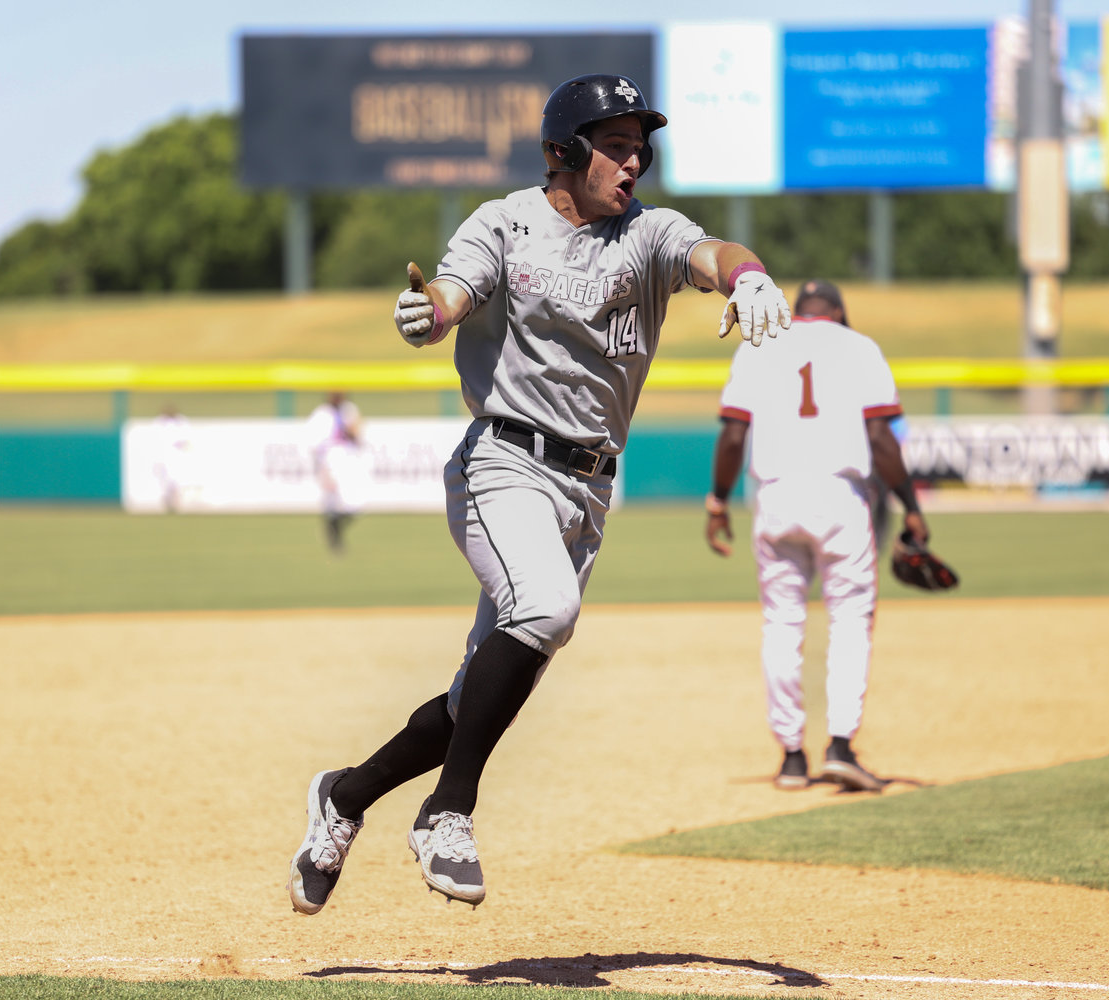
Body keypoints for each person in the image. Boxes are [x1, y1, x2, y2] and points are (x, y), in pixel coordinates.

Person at [287, 73, 792, 915]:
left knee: (473, 695)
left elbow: (714, 255)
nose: (635, 161)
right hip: (504, 461)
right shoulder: (506, 221)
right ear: (565, 152)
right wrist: (434, 310)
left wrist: (751, 278)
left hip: (588, 493)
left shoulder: (649, 234)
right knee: (547, 611)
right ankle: (448, 811)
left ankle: (343, 797)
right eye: (617, 145)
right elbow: (456, 289)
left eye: (642, 146)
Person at [704, 278, 929, 793]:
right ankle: (841, 747)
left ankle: (790, 758)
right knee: (850, 620)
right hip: (840, 496)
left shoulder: (758, 343)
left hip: (776, 494)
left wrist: (717, 501)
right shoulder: (860, 347)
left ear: (797, 311)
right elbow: (880, 437)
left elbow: (734, 434)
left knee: (781, 623)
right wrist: (911, 506)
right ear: (839, 313)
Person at [305, 391, 364, 552]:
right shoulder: (321, 414)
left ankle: (333, 525)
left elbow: (357, 434)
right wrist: (322, 469)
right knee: (332, 502)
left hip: (348, 457)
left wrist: (352, 431)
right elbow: (315, 445)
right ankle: (335, 539)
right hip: (330, 459)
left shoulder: (349, 410)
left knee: (354, 504)